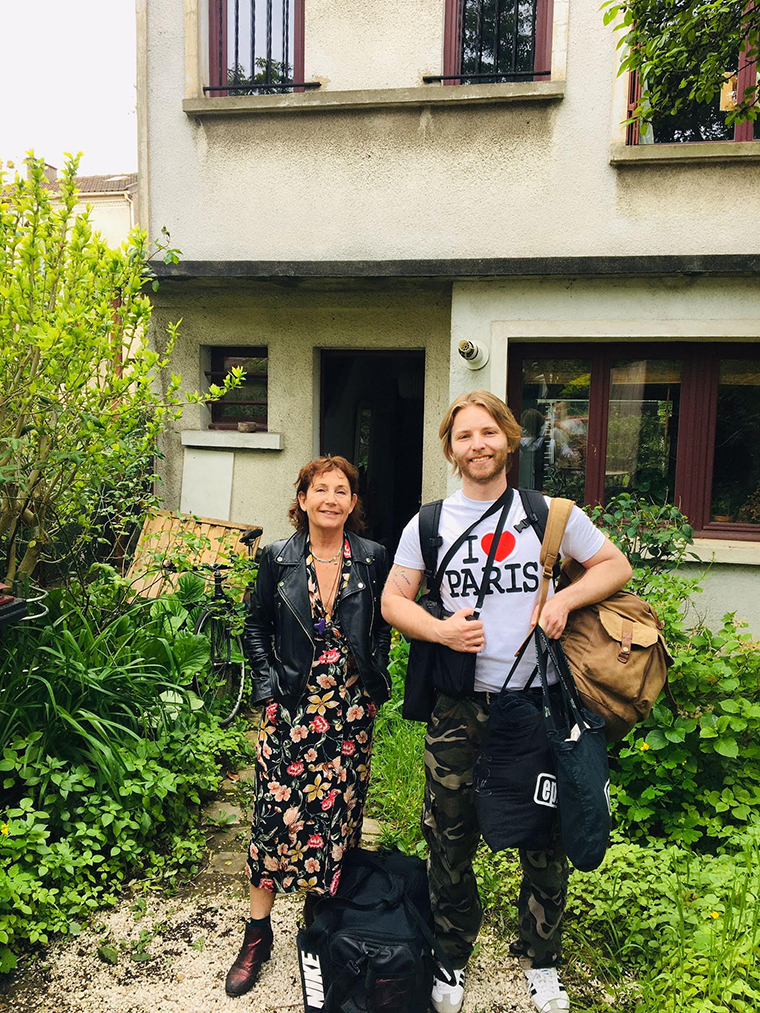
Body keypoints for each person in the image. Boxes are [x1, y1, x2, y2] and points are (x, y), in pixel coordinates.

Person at [381, 391, 631, 1013]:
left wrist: (565, 600)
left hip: (541, 703)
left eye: (489, 432)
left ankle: (542, 961)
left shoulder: (548, 515)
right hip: (459, 708)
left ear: (510, 438)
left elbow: (613, 565)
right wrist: (439, 630)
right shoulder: (429, 523)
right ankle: (450, 955)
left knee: (546, 835)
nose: (478, 445)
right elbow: (394, 601)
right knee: (449, 833)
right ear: (450, 448)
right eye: (465, 436)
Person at [225, 455, 391, 997]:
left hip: (348, 713)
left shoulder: (371, 558)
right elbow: (256, 627)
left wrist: (372, 686)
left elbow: (383, 627)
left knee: (336, 818)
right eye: (320, 489)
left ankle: (321, 925)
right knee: (274, 816)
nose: (331, 498)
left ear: (352, 503)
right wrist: (268, 689)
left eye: (341, 490)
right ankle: (257, 934)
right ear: (302, 500)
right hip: (292, 709)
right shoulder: (277, 557)